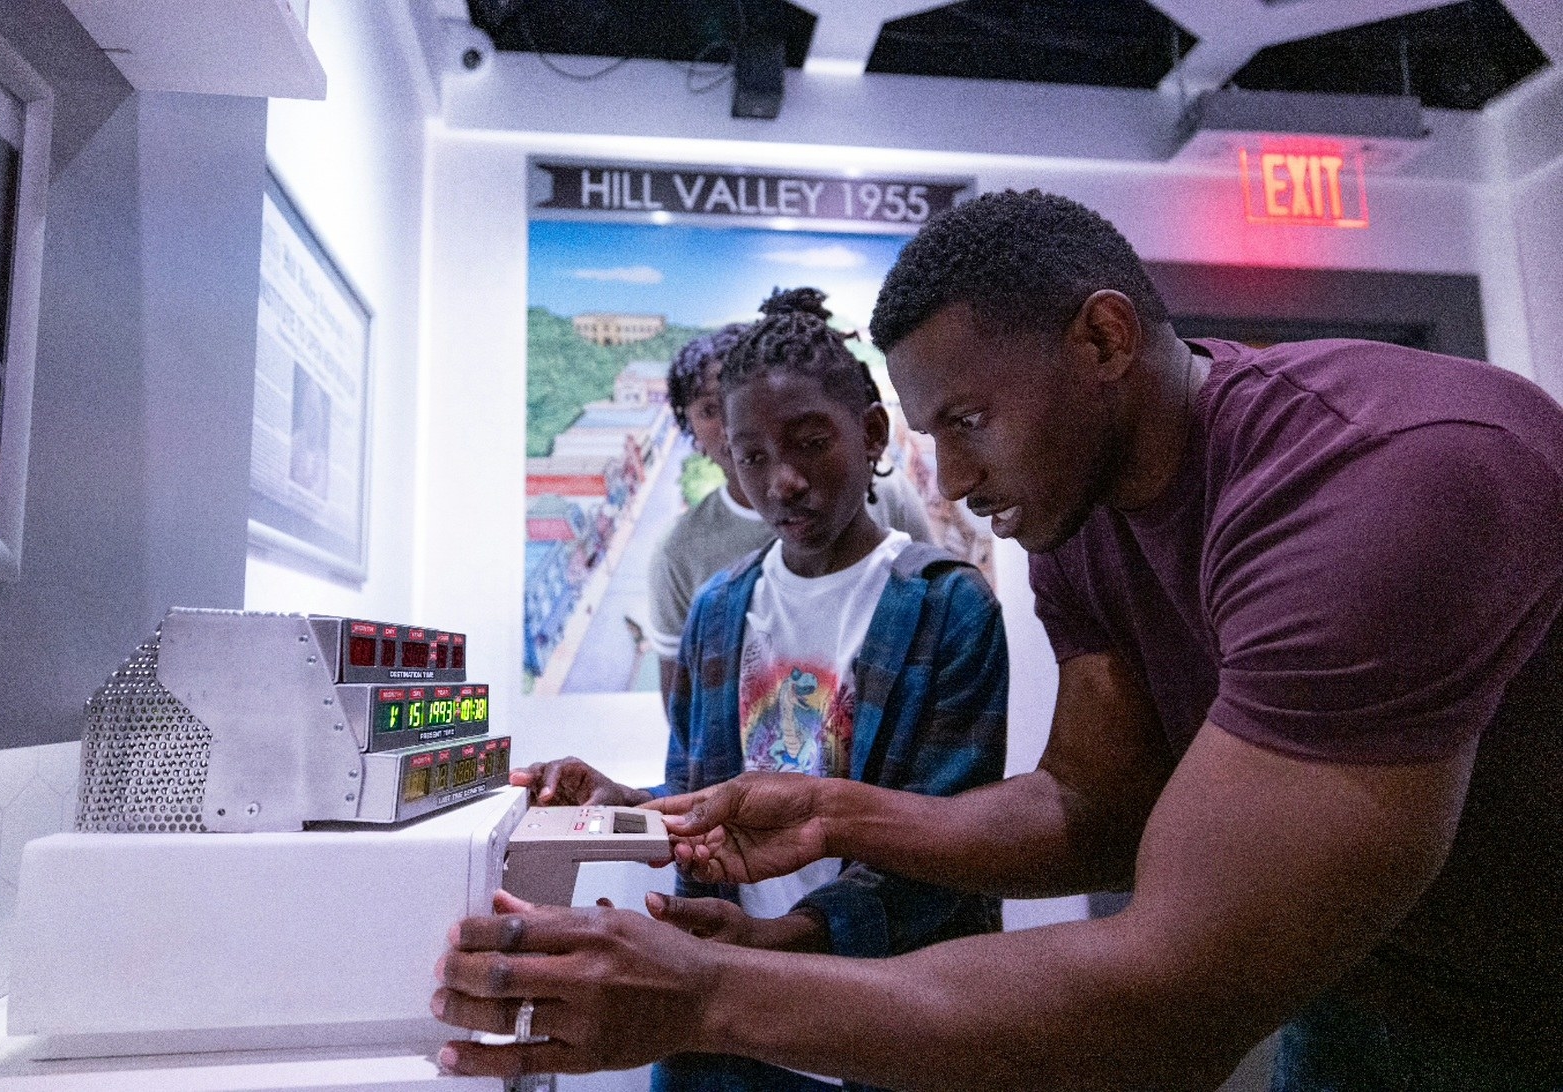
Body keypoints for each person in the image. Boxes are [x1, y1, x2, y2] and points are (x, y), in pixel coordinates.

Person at [432, 191, 1563, 1091]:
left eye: (970, 424)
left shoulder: (1387, 484)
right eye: (937, 438)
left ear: (1105, 337)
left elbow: (1169, 1002)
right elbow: (1093, 806)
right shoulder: (1079, 514)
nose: (960, 483)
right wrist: (833, 810)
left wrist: (706, 995)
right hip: (1370, 986)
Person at [501, 287, 1010, 1091]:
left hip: (884, 1020)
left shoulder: (947, 605)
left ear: (872, 433)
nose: (786, 482)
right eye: (754, 456)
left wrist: (787, 940)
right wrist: (626, 802)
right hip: (725, 1029)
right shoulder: (718, 608)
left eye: (811, 444)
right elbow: (712, 799)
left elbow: (949, 848)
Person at [647, 319, 935, 707]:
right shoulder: (696, 575)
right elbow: (688, 718)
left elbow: (929, 593)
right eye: (708, 410)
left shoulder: (889, 497)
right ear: (689, 423)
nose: (785, 484)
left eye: (811, 442)